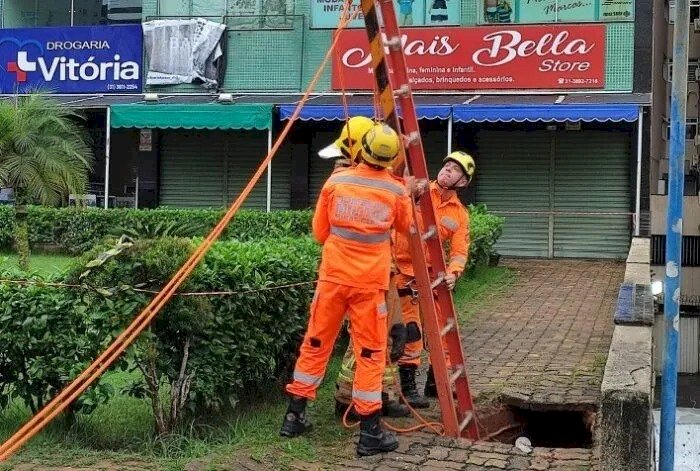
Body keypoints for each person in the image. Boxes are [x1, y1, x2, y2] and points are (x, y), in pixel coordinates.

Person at [280, 123, 416, 457]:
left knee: (315, 344)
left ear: (361, 149)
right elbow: (406, 228)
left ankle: (294, 416)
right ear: (391, 158)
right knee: (370, 354)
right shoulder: (395, 191)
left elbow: (319, 232)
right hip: (369, 286)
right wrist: (408, 191)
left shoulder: (336, 181)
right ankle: (370, 433)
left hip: (333, 279)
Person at [318, 117, 412, 420]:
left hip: (372, 272)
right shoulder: (356, 181)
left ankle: (372, 398)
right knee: (369, 344)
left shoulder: (344, 179)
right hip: (368, 276)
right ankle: (359, 402)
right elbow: (403, 223)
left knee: (378, 341)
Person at [393, 151, 476, 407]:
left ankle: (436, 382)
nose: (448, 169)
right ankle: (408, 388)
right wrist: (410, 194)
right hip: (404, 273)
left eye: (455, 169)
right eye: (447, 164)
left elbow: (460, 251)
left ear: (463, 182)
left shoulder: (460, 214)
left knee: (444, 332)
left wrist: (453, 274)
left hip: (432, 279)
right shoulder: (418, 192)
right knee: (412, 331)